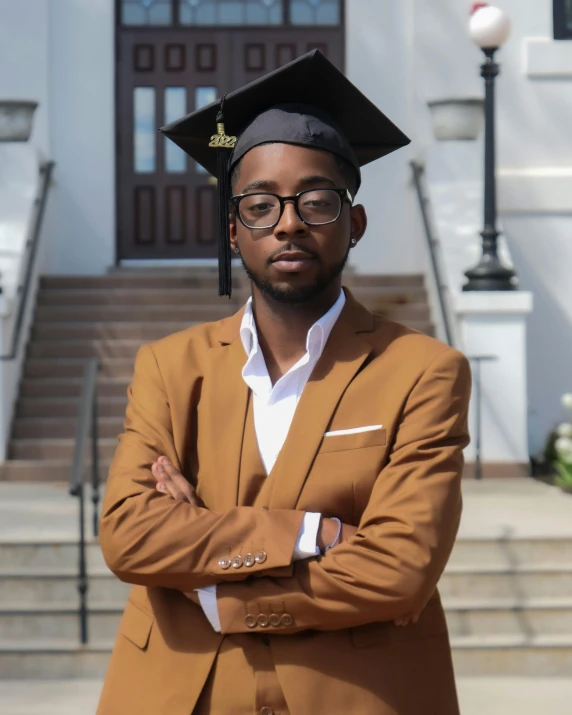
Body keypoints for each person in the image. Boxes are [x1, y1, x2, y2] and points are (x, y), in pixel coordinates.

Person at [97, 50, 471, 715]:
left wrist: (212, 582)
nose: (290, 222)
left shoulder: (423, 372)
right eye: (263, 205)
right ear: (234, 229)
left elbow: (400, 568)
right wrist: (309, 532)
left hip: (358, 697)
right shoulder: (168, 367)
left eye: (317, 202)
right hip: (178, 694)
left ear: (353, 225)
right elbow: (130, 532)